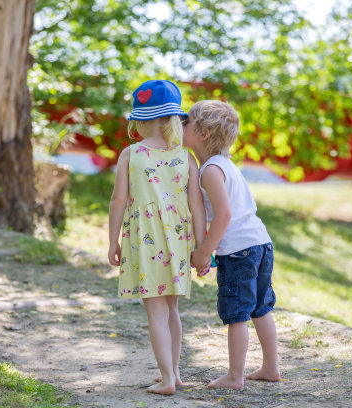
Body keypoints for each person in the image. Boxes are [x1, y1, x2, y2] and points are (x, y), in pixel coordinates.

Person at [108, 79, 206, 395]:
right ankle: (174, 373)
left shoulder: (131, 154)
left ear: (139, 117)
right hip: (178, 239)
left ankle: (166, 380)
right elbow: (196, 204)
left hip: (144, 237)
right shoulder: (186, 156)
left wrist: (113, 240)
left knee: (156, 312)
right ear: (173, 118)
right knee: (172, 309)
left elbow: (118, 201)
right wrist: (201, 244)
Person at [185, 100, 280, 390]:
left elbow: (223, 216)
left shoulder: (210, 171)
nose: (181, 125)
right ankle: (270, 368)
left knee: (237, 313)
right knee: (260, 308)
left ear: (202, 133)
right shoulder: (224, 164)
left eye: (186, 121)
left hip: (240, 252)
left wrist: (203, 252)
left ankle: (235, 376)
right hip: (260, 244)